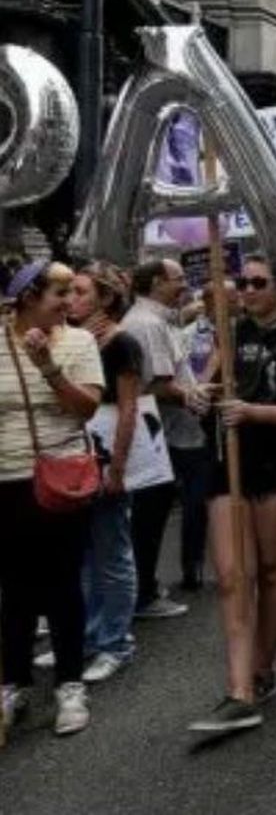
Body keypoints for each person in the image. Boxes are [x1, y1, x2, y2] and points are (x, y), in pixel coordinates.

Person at [189, 256, 276, 734]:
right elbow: (206, 384)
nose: (246, 290)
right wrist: (198, 395)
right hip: (228, 465)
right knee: (232, 577)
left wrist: (254, 412)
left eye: (257, 283)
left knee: (271, 570)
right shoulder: (230, 333)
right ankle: (238, 690)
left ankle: (263, 669)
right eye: (241, 282)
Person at [0, 261, 105, 736]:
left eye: (70, 293)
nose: (68, 303)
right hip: (7, 479)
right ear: (26, 299)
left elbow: (86, 408)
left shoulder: (79, 342)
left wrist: (47, 368)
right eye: (58, 294)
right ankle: (13, 681)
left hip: (62, 478)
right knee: (14, 587)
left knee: (63, 584)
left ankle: (69, 684)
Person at [72, 264, 162, 686]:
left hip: (107, 451)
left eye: (78, 291)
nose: (69, 299)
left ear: (104, 299)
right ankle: (89, 636)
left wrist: (120, 465)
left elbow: (128, 407)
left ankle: (117, 642)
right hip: (74, 453)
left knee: (112, 548)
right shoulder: (70, 340)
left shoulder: (120, 342)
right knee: (84, 552)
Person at [122, 259, 210, 616]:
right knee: (149, 516)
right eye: (178, 280)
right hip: (161, 434)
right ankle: (142, 592)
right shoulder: (146, 324)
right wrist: (193, 396)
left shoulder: (156, 319)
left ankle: (144, 586)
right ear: (157, 282)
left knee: (153, 513)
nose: (185, 286)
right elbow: (157, 384)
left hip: (170, 432)